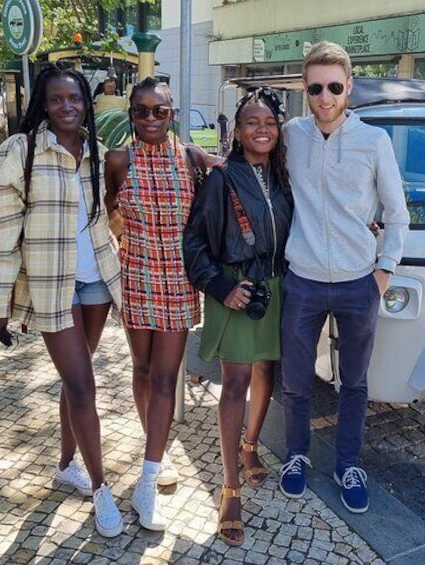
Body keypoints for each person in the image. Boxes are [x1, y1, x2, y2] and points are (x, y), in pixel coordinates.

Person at [0, 64, 125, 538]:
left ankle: (65, 465)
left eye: (75, 99)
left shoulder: (94, 150)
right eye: (58, 99)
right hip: (51, 285)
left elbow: (102, 216)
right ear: (42, 101)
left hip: (96, 281)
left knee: (74, 378)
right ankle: (102, 489)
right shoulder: (18, 152)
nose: (67, 107)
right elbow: (0, 236)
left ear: (87, 103)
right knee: (83, 386)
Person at [278, 41, 409, 514]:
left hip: (359, 282)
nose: (325, 97)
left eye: (335, 86)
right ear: (305, 88)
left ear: (349, 86)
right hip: (304, 279)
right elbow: (247, 154)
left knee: (354, 383)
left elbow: (397, 214)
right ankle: (296, 456)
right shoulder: (292, 134)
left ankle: (348, 463)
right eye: (316, 87)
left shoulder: (374, 142)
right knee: (293, 381)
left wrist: (385, 270)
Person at [183, 87, 292, 546]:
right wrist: (221, 287)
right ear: (238, 130)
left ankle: (250, 446)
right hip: (236, 290)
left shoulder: (285, 176)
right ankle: (229, 488)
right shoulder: (221, 179)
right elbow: (193, 244)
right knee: (235, 384)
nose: (261, 128)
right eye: (252, 121)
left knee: (268, 369)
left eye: (269, 121)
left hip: (278, 288)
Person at [104, 77, 210, 532]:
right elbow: (106, 208)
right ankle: (158, 448)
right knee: (142, 370)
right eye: (142, 111)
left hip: (179, 280)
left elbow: (236, 185)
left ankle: (148, 481)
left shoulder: (190, 158)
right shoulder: (118, 160)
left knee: (167, 376)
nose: (150, 118)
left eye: (159, 111)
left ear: (173, 113)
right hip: (136, 278)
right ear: (131, 114)